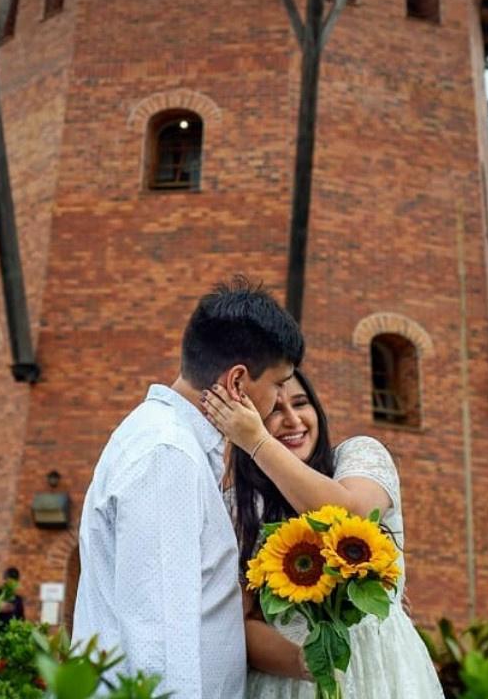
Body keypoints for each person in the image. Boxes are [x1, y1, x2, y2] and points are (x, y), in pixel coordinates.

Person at [72, 277, 305, 699]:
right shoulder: (169, 455)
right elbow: (159, 640)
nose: (276, 404)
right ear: (238, 382)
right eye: (277, 385)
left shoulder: (170, 443)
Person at [202, 371, 445, 699]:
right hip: (293, 683)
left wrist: (258, 442)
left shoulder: (359, 458)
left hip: (383, 671)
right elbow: (239, 622)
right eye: (273, 410)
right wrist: (310, 663)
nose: (292, 419)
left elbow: (350, 518)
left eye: (301, 404)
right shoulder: (240, 507)